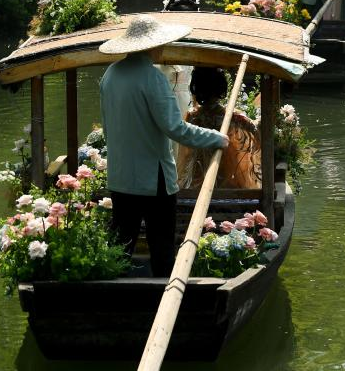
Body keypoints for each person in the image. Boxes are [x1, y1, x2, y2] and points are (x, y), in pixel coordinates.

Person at [99, 16, 229, 276]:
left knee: (120, 247)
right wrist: (217, 138)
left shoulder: (110, 75)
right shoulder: (153, 78)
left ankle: (111, 295)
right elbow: (176, 129)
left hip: (120, 176)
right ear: (153, 46)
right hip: (152, 179)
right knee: (162, 247)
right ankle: (160, 294)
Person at [176, 67, 261, 190]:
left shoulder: (192, 115)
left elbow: (185, 153)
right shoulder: (233, 116)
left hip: (198, 179)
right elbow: (255, 131)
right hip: (226, 178)